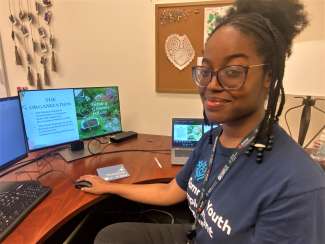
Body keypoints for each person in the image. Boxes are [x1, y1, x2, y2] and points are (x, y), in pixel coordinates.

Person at [78, 0, 325, 243]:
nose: (212, 85)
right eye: (206, 71)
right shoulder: (211, 140)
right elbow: (169, 191)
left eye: (232, 72)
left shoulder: (298, 186)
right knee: (112, 235)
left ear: (268, 77)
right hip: (197, 235)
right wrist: (110, 187)